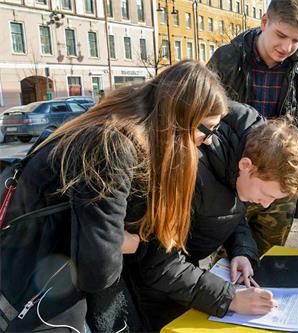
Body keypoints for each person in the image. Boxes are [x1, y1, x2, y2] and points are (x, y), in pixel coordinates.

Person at [1, 60, 228, 332]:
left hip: (39, 268)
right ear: (180, 118)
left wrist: (126, 241)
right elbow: (98, 271)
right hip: (33, 283)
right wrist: (127, 243)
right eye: (208, 129)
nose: (211, 140)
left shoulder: (120, 130)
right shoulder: (111, 147)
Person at [126, 102, 298, 331]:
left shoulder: (243, 157)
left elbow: (231, 210)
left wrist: (242, 251)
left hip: (184, 274)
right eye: (266, 194)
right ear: (246, 165)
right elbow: (159, 264)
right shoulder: (188, 171)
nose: (266, 204)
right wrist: (230, 298)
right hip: (145, 287)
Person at [207, 0, 298, 256]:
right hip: (234, 176)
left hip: (279, 184)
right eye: (281, 35)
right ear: (264, 22)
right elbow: (204, 113)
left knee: (269, 256)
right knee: (229, 258)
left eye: (296, 40)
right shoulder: (227, 58)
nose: (287, 47)